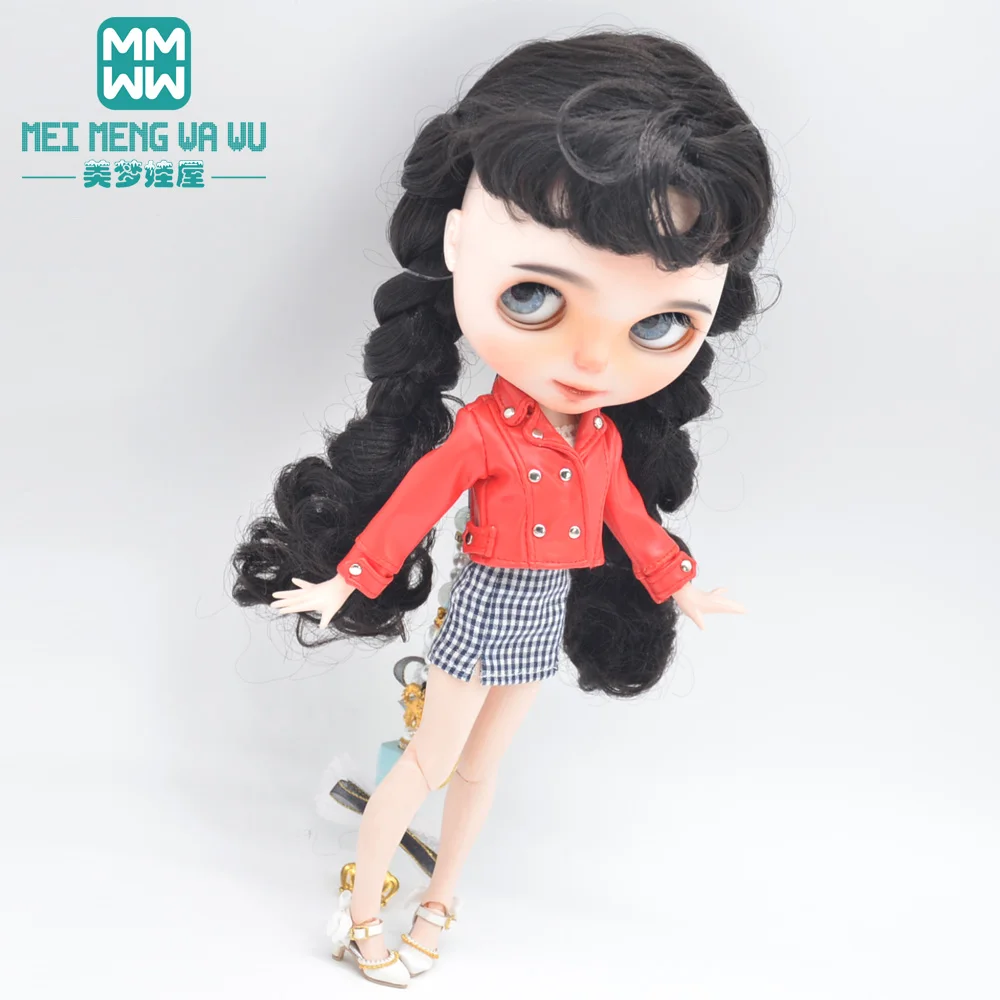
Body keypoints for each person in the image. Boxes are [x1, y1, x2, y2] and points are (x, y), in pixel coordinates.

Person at [231, 27, 777, 988]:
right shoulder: (483, 433)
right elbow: (410, 509)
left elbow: (629, 522)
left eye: (660, 322)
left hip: (540, 614)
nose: (592, 361)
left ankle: (439, 904)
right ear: (456, 246)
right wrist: (344, 583)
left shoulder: (597, 442)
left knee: (483, 770)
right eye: (535, 297)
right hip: (483, 608)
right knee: (431, 765)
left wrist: (679, 585)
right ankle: (365, 916)